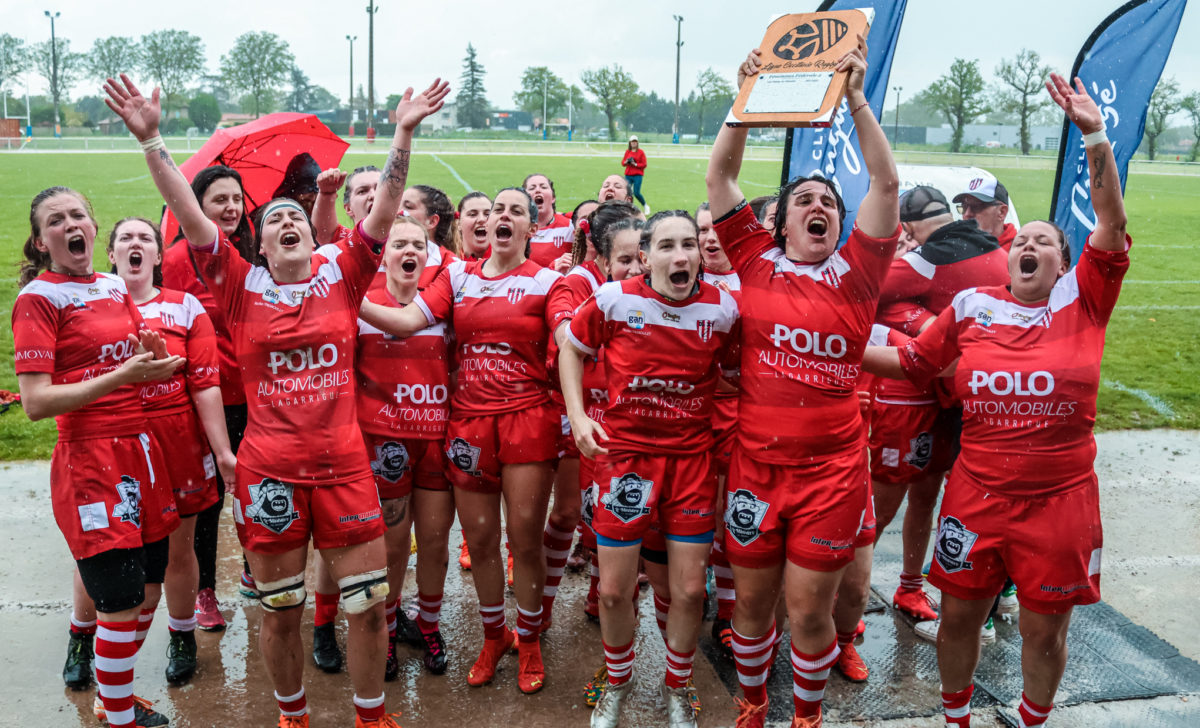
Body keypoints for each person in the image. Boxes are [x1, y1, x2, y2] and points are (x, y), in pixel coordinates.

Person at [106, 72, 449, 728]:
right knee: (280, 609)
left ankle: (370, 714)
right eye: (277, 221)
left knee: (369, 604)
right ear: (258, 246)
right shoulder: (239, 287)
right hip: (271, 476)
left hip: (346, 473)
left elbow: (385, 206)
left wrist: (404, 131)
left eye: (296, 217)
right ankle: (292, 715)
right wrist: (152, 141)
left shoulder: (344, 276)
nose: (288, 221)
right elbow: (189, 214)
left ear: (312, 238)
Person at [861, 72, 1129, 728]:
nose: (1033, 245)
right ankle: (957, 719)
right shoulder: (971, 304)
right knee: (958, 621)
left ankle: (1033, 719)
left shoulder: (1083, 301)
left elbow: (1111, 219)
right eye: (1025, 241)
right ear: (1007, 260)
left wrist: (1094, 135)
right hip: (976, 495)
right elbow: (913, 364)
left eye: (1048, 241)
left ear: (1066, 263)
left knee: (1043, 634)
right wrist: (832, 343)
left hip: (1060, 503)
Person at [705, 38, 900, 728]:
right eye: (805, 200)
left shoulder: (857, 277)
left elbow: (884, 186)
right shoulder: (754, 262)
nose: (819, 205)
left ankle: (807, 716)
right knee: (752, 609)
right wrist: (746, 105)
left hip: (832, 475)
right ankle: (754, 703)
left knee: (809, 610)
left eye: (828, 203)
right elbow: (721, 181)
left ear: (839, 226)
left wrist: (854, 101)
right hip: (756, 470)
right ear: (779, 222)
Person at [358, 187, 572, 696]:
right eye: (497, 209)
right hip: (470, 425)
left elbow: (569, 340)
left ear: (530, 228)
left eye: (515, 211)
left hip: (525, 421)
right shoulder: (458, 276)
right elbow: (408, 320)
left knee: (524, 537)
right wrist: (344, 296)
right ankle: (494, 636)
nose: (503, 217)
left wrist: (578, 396)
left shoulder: (549, 281)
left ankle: (531, 638)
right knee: (479, 540)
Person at [14, 186, 185, 728]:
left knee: (150, 584)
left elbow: (132, 346)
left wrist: (152, 355)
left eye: (78, 215)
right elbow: (36, 402)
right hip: (88, 460)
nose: (71, 225)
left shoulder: (112, 285)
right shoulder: (37, 299)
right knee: (117, 598)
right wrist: (123, 376)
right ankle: (118, 717)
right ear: (42, 243)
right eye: (56, 220)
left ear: (92, 227)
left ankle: (115, 693)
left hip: (140, 449)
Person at [561, 210, 739, 728]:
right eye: (666, 246)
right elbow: (571, 349)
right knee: (615, 590)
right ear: (645, 255)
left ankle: (678, 685)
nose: (680, 256)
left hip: (690, 462)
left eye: (689, 244)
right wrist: (577, 418)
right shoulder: (615, 300)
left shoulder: (723, 309)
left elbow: (736, 373)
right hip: (625, 462)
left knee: (686, 591)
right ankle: (618, 681)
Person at [872, 185, 1010, 639]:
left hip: (937, 393)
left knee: (886, 504)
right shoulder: (995, 247)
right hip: (969, 397)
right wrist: (922, 323)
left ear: (907, 227)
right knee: (930, 497)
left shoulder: (928, 259)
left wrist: (914, 328)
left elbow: (862, 293)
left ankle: (841, 590)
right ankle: (915, 588)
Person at [108, 216, 238, 686]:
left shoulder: (185, 307)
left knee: (180, 549)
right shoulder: (94, 307)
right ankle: (85, 637)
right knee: (111, 550)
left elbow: (206, 385)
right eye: (126, 237)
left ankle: (181, 634)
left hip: (177, 442)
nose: (136, 243)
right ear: (112, 254)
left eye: (146, 238)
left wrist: (223, 452)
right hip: (115, 441)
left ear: (160, 256)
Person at [356, 216, 454, 677]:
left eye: (419, 243)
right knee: (394, 547)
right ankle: (391, 627)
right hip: (383, 442)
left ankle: (428, 625)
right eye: (399, 244)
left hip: (435, 437)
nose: (409, 251)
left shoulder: (442, 302)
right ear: (385, 253)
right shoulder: (363, 301)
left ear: (429, 253)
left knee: (434, 542)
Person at [160, 165, 254, 631]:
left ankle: (256, 568)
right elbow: (177, 324)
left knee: (256, 485)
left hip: (255, 392)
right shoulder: (178, 258)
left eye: (237, 198)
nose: (232, 207)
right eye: (220, 200)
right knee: (209, 498)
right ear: (197, 205)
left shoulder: (252, 249)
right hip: (206, 396)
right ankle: (205, 592)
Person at [696, 202, 740, 657]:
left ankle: (727, 614)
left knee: (730, 518)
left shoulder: (754, 282)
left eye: (716, 230)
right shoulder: (683, 280)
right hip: (689, 415)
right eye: (701, 230)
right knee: (695, 514)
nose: (710, 238)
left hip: (738, 417)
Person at [524, 173, 575, 271]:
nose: (538, 190)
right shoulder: (518, 230)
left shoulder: (570, 225)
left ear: (553, 198)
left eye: (543, 187)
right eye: (532, 188)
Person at [953, 173, 1015, 250]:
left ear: (1002, 212)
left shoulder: (1018, 253)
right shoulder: (955, 247)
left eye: (976, 207)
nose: (967, 214)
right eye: (964, 207)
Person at [456, 191, 493, 260]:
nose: (481, 219)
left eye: (487, 214)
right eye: (473, 214)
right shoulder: (448, 262)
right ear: (458, 223)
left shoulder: (509, 259)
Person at [621, 135, 649, 212]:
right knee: (627, 192)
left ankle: (645, 205)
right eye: (632, 142)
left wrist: (635, 164)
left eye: (635, 142)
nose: (633, 143)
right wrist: (626, 162)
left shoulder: (641, 152)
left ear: (637, 143)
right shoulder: (627, 152)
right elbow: (623, 163)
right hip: (628, 175)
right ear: (630, 143)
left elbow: (644, 164)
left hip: (637, 175)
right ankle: (628, 208)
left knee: (636, 193)